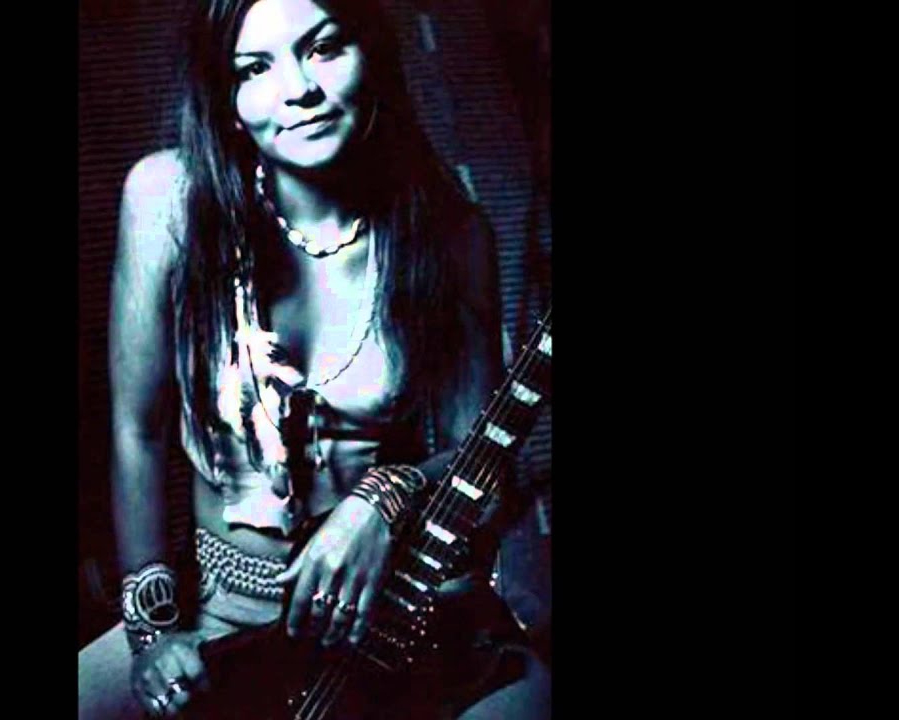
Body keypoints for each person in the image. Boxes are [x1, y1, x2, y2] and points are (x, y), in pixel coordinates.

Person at [78, 0, 550, 717]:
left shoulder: (452, 234)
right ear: (228, 100)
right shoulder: (167, 199)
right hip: (218, 612)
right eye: (255, 68)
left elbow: (481, 466)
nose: (299, 88)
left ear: (373, 58)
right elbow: (134, 430)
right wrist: (153, 633)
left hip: (391, 613)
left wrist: (387, 495)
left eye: (325, 48)